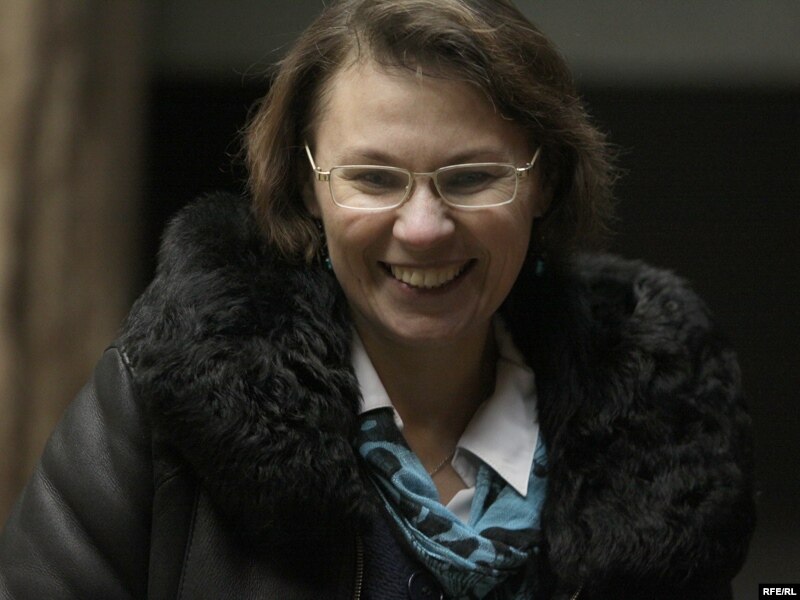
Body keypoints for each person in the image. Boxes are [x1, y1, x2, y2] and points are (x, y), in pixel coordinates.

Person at [0, 0, 754, 598]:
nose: (422, 228)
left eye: (472, 177)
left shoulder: (657, 434)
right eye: (372, 178)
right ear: (307, 187)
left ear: (544, 185)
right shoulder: (161, 405)